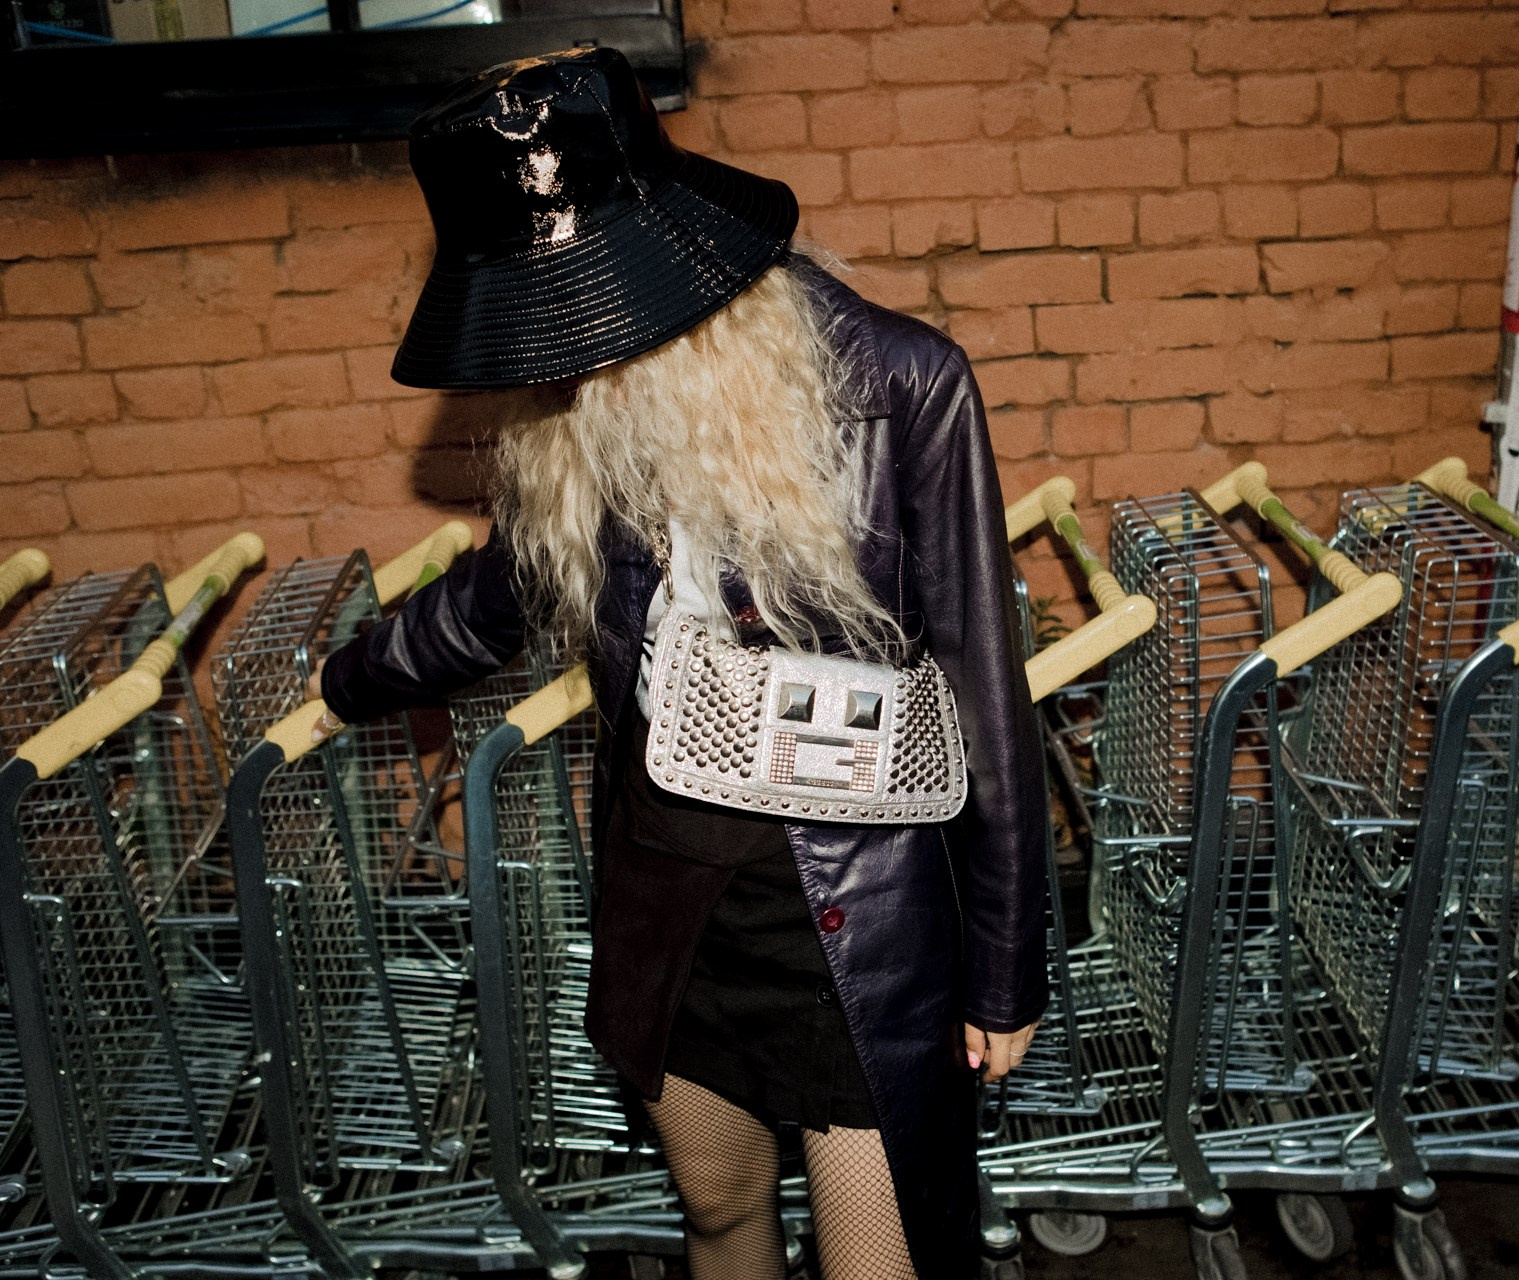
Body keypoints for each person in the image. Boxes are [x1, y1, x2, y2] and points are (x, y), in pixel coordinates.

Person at [309, 47, 1049, 1280]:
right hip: (666, 887)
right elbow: (494, 600)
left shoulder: (899, 382)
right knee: (718, 1208)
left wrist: (1007, 962)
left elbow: (987, 686)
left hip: (855, 904)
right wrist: (346, 683)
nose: (558, 345)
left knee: (884, 1261)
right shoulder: (574, 414)